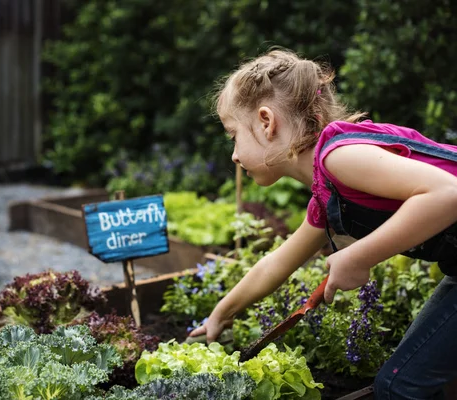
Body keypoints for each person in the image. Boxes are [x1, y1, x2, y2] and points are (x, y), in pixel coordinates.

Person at [188, 49, 457, 398]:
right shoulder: (326, 194)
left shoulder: (340, 156)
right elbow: (276, 263)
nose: (234, 155)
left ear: (266, 122)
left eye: (232, 135)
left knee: (400, 386)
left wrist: (358, 257)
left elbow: (449, 194)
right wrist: (222, 314)